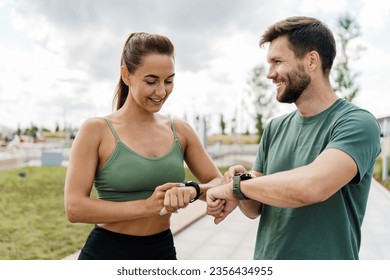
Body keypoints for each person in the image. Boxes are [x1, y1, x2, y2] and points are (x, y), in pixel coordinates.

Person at [206, 16, 381, 260]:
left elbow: (312, 187)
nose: (269, 74)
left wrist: (237, 187)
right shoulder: (275, 127)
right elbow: (254, 209)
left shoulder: (357, 123)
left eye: (277, 61)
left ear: (311, 60)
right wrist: (241, 185)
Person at [64, 32, 223, 260]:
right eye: (151, 81)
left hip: (162, 251)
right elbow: (74, 208)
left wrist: (192, 190)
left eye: (169, 81)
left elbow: (217, 183)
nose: (161, 92)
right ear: (126, 75)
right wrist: (146, 206)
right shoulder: (96, 130)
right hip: (106, 253)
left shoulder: (181, 131)